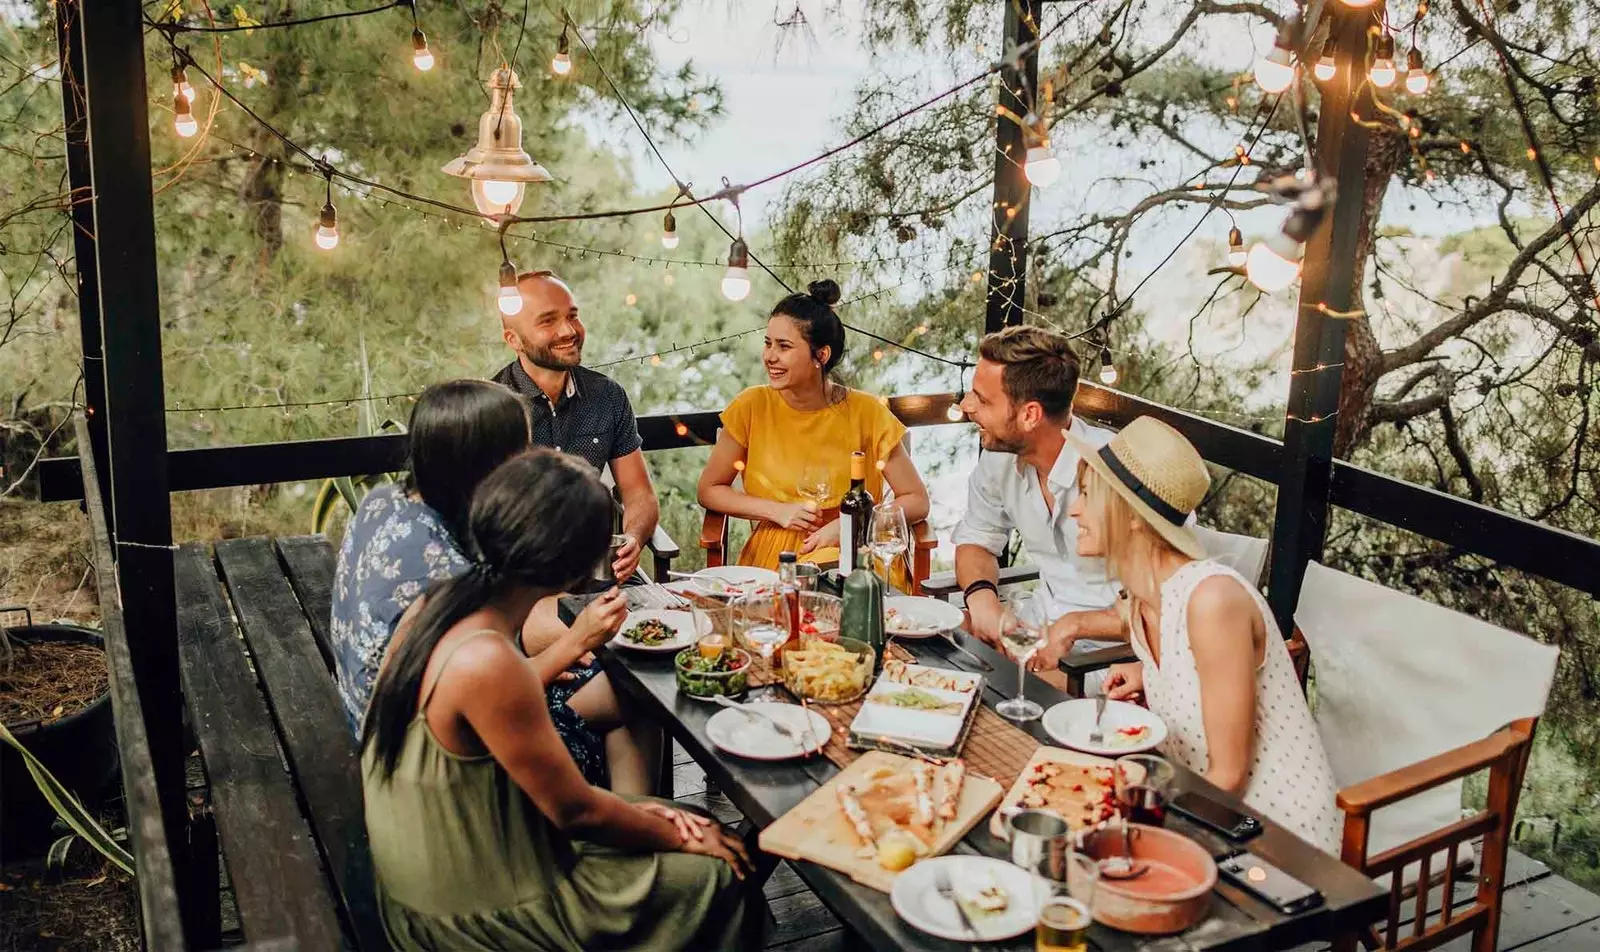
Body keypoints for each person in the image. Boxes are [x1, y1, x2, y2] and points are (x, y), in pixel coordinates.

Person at [361, 449, 750, 950]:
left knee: (685, 821)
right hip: (475, 913)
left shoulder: (435, 603)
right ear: (572, 570)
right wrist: (680, 836)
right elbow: (578, 813)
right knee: (721, 868)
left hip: (446, 860)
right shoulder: (488, 661)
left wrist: (667, 824)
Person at [330, 380, 654, 793]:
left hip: (377, 717)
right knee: (634, 699)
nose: (529, 462)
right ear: (485, 464)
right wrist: (573, 642)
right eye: (522, 451)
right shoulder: (443, 572)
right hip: (422, 761)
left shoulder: (386, 500)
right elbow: (468, 697)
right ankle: (625, 836)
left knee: (615, 689)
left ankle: (634, 825)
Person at [1065, 416, 1341, 853]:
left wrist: (1138, 832)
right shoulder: (1141, 599)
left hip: (1275, 834)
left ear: (1135, 518)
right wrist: (1147, 673)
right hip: (1204, 805)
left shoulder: (1213, 600)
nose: (1074, 509)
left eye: (1085, 494)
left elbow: (1230, 775)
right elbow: (1189, 665)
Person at [696, 280, 930, 578]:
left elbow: (916, 499)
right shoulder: (751, 406)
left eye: (784, 347)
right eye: (768, 343)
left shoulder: (867, 412)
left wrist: (847, 526)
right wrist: (777, 511)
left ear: (821, 355)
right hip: (781, 555)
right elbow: (709, 490)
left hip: (856, 550)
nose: (770, 357)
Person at [952, 325, 1124, 667]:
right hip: (1034, 632)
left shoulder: (1120, 471)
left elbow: (1172, 600)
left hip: (1109, 658)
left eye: (982, 399)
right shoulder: (999, 460)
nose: (967, 406)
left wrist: (1075, 626)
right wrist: (983, 601)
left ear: (1030, 414)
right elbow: (976, 539)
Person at [492, 270, 658, 583]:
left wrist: (633, 539)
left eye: (573, 316)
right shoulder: (494, 409)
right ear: (513, 339)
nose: (569, 330)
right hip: (523, 582)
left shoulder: (608, 396)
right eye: (548, 321)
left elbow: (639, 493)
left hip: (601, 572)